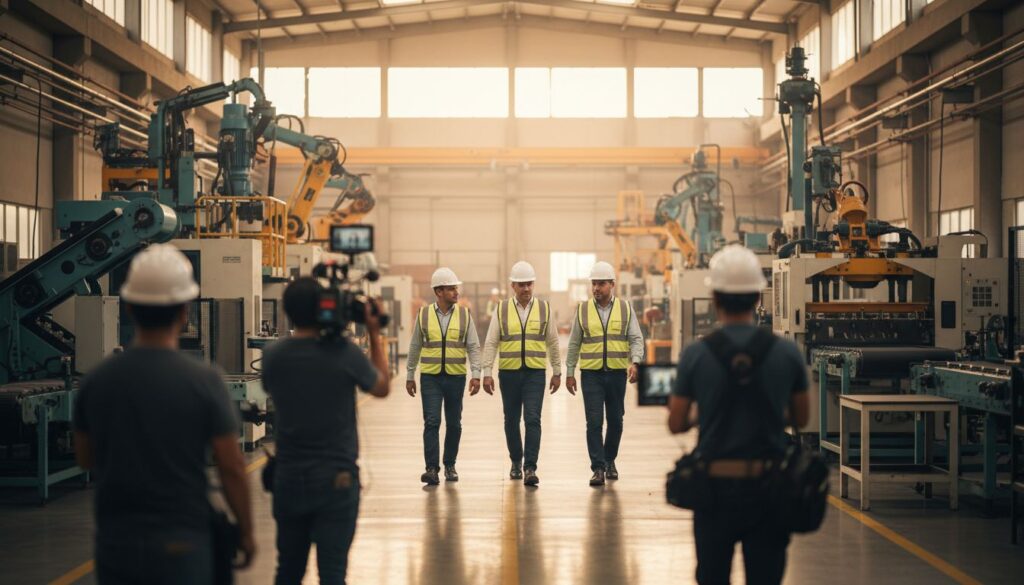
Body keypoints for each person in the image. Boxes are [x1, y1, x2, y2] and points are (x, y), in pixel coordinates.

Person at [73, 244, 254, 585]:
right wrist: (245, 533)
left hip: (118, 542)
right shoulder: (206, 380)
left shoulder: (96, 381)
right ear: (185, 311)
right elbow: (231, 466)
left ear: (128, 307)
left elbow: (85, 458)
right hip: (182, 540)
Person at [667, 245, 810, 585]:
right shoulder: (787, 353)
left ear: (715, 297)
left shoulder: (696, 355)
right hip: (770, 487)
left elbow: (675, 423)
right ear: (759, 297)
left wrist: (703, 412)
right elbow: (801, 418)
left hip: (714, 491)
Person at [261, 277, 391, 585]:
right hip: (336, 479)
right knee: (332, 573)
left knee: (288, 570)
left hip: (288, 478)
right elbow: (382, 387)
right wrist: (374, 331)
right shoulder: (343, 353)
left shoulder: (273, 356)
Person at [563, 260, 645, 487]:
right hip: (591, 375)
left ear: (612, 285)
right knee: (594, 422)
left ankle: (610, 460)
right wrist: (569, 372)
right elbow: (574, 344)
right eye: (594, 284)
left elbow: (636, 338)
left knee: (616, 421)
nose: (596, 288)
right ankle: (598, 468)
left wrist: (636, 362)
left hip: (617, 374)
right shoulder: (583, 310)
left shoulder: (626, 309)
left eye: (601, 284)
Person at [481, 261, 561, 486]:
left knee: (533, 419)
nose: (526, 289)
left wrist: (557, 371)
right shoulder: (502, 309)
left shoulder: (544, 309)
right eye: (521, 285)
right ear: (513, 286)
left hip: (535, 373)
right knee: (511, 420)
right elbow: (491, 341)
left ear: (533, 285)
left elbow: (553, 341)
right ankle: (516, 460)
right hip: (509, 374)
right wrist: (487, 371)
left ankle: (530, 467)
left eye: (529, 284)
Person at [406, 267, 482, 485]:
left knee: (454, 423)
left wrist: (475, 375)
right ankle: (431, 468)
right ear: (439, 292)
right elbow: (415, 346)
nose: (456, 292)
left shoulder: (464, 315)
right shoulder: (424, 314)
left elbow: (474, 347)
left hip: (456, 377)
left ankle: (450, 464)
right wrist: (410, 374)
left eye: (456, 288)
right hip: (430, 378)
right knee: (432, 421)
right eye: (451, 289)